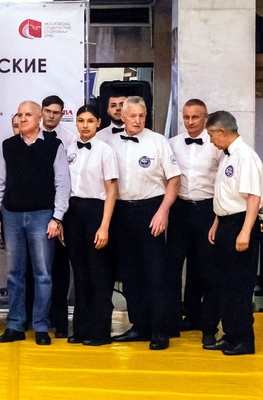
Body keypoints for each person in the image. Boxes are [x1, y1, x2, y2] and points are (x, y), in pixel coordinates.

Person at [0, 100, 70, 346]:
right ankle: (15, 325)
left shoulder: (54, 146)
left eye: (27, 115)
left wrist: (57, 217)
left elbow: (62, 184)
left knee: (43, 274)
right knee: (14, 274)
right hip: (11, 216)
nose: (22, 119)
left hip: (43, 216)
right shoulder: (8, 145)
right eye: (19, 114)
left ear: (39, 119)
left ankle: (41, 326)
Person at [110, 96, 180, 350]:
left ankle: (160, 331)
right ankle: (139, 326)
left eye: (142, 115)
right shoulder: (109, 142)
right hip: (121, 212)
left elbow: (174, 180)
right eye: (132, 116)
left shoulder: (158, 141)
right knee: (130, 274)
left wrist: (163, 212)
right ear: (123, 116)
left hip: (151, 210)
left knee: (155, 274)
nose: (137, 120)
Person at [204, 111, 262, 356]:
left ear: (222, 131)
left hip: (240, 223)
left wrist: (245, 231)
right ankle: (231, 335)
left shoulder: (245, 156)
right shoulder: (227, 155)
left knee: (239, 285)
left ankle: (244, 341)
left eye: (211, 135)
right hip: (226, 222)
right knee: (225, 284)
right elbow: (226, 194)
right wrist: (217, 222)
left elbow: (253, 197)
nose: (210, 140)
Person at [62, 104, 118, 346]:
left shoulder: (106, 151)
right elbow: (62, 186)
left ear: (98, 123)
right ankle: (81, 329)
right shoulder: (68, 149)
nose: (85, 125)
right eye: (81, 120)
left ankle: (100, 332)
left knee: (99, 273)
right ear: (76, 122)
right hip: (73, 212)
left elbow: (111, 190)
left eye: (90, 121)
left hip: (97, 211)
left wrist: (104, 225)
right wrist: (62, 219)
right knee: (80, 273)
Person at [166, 98, 222, 337]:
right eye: (186, 117)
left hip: (208, 209)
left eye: (195, 117)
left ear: (206, 117)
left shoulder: (216, 144)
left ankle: (206, 323)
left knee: (206, 267)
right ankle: (173, 321)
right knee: (173, 265)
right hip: (179, 209)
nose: (190, 122)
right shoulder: (172, 144)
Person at [40, 95, 77, 339]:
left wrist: (60, 216)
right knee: (38, 270)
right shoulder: (30, 136)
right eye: (48, 111)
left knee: (60, 269)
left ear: (62, 114)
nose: (51, 115)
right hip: (37, 209)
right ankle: (37, 319)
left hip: (62, 211)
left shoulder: (71, 140)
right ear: (42, 112)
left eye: (56, 112)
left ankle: (61, 322)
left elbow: (69, 179)